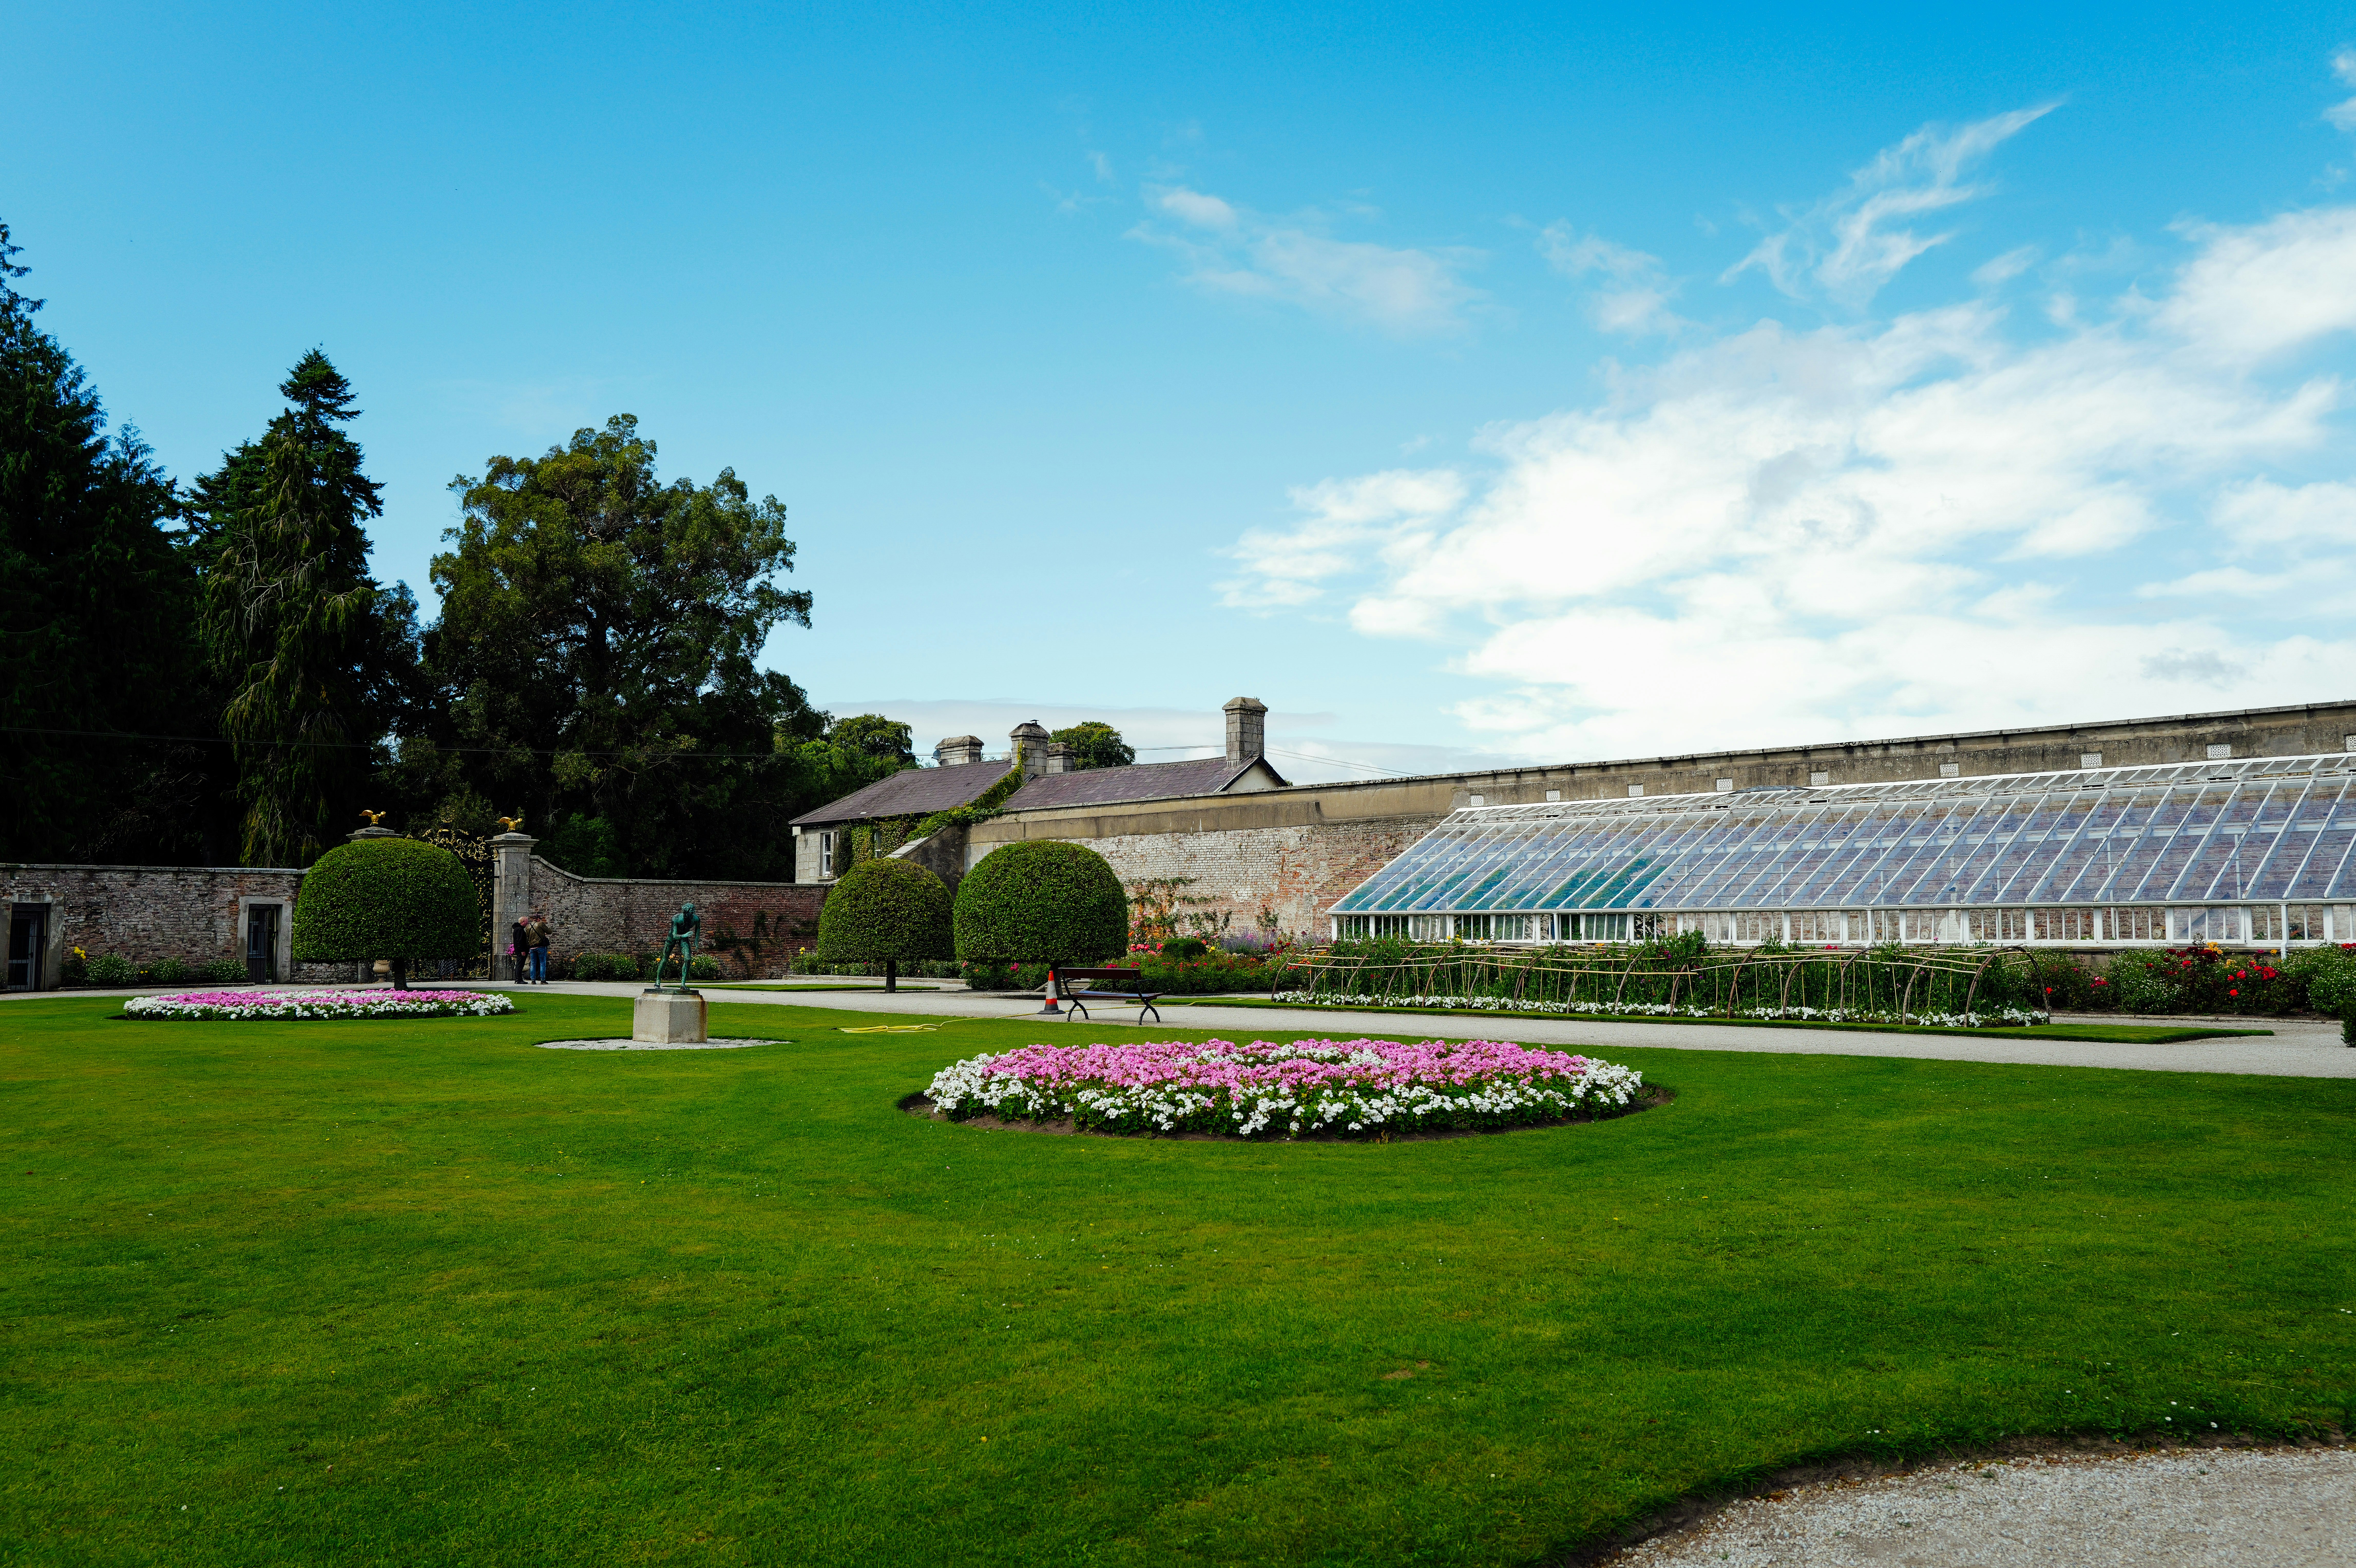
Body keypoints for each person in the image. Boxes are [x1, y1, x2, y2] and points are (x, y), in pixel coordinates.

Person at [527, 910, 553, 984]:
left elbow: (527, 937)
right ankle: (543, 980)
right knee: (542, 963)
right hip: (540, 946)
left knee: (533, 964)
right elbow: (549, 932)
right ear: (538, 919)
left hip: (532, 947)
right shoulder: (541, 924)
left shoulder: (528, 926)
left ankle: (533, 980)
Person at [508, 917, 530, 984]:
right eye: (526, 922)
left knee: (519, 965)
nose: (527, 923)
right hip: (521, 951)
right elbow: (520, 941)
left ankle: (518, 979)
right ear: (523, 922)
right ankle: (519, 979)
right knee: (520, 965)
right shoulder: (520, 930)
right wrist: (522, 950)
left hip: (520, 950)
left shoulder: (518, 929)